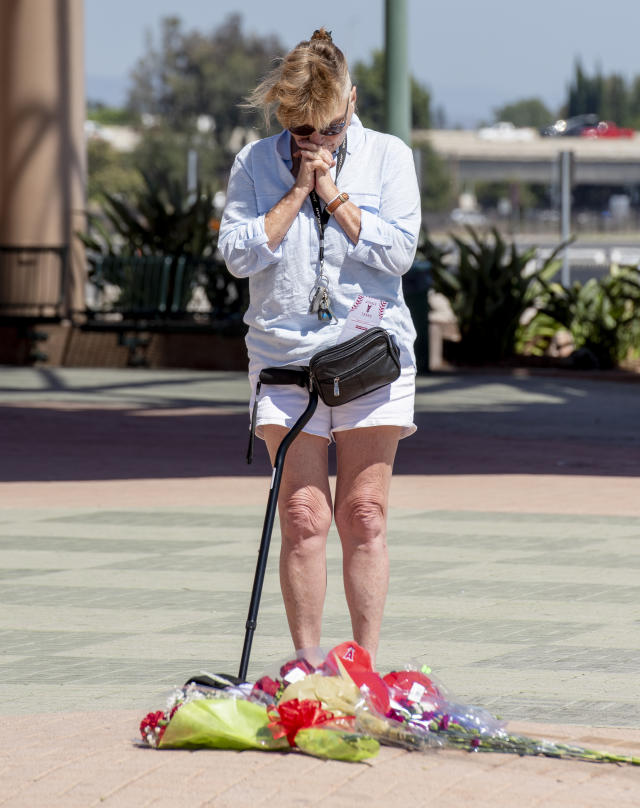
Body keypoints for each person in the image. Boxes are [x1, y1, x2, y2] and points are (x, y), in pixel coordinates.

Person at [219, 28, 421, 666]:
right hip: (285, 356)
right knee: (303, 514)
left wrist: (332, 196)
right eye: (302, 132)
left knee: (363, 512)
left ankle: (364, 664)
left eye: (329, 130)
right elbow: (236, 253)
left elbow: (399, 252)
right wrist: (297, 192)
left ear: (352, 102)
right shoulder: (256, 162)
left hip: (368, 352)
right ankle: (306, 665)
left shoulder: (388, 156)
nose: (315, 144)